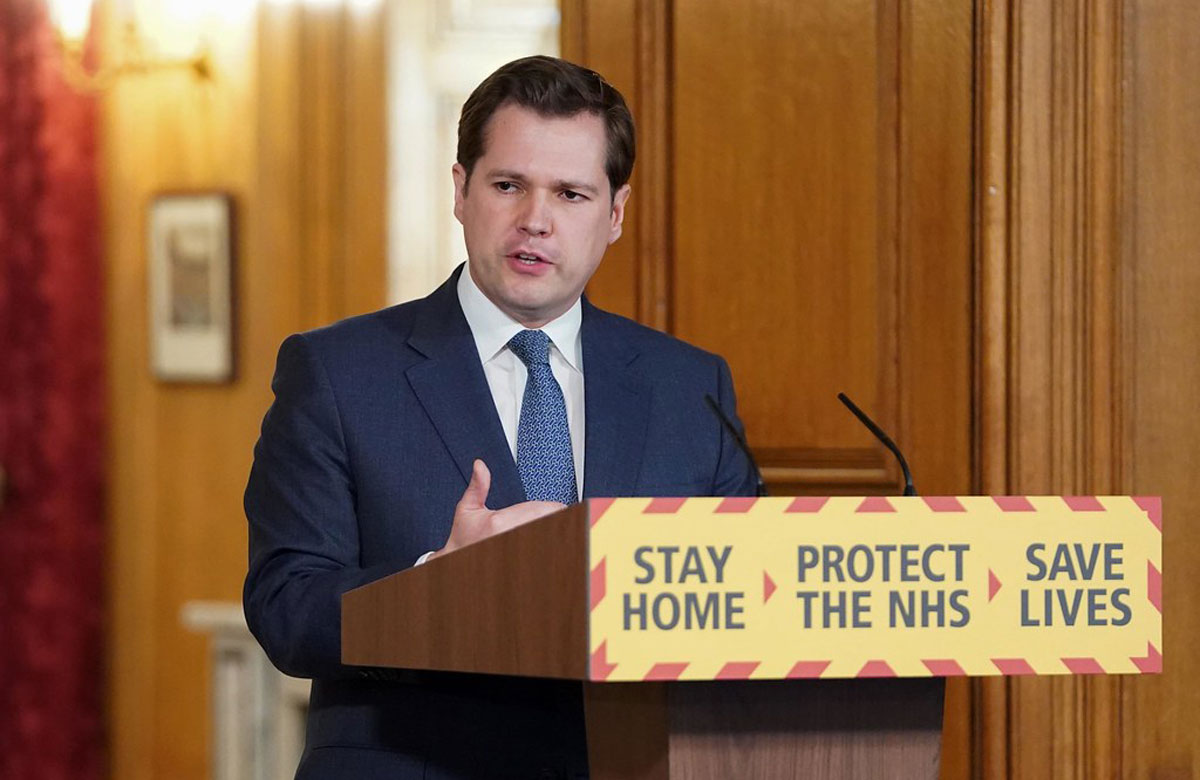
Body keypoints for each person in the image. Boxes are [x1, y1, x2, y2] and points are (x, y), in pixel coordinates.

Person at [244, 55, 757, 780]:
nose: (535, 221)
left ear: (615, 214)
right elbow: (285, 608)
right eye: (508, 185)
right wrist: (437, 586)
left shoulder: (689, 386)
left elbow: (752, 593)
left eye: (571, 194)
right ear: (461, 191)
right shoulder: (337, 373)